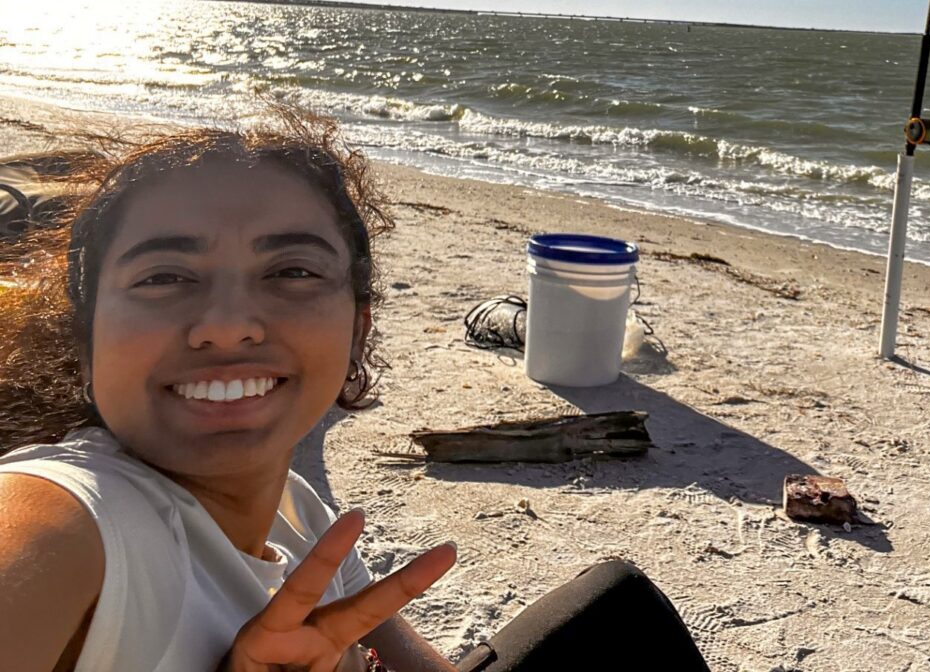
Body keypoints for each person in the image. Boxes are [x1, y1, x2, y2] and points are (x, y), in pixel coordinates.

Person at [0, 107, 710, 671]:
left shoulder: (296, 512)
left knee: (615, 609)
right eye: (163, 277)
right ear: (84, 341)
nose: (226, 325)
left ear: (356, 329)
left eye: (292, 273)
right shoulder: (68, 522)